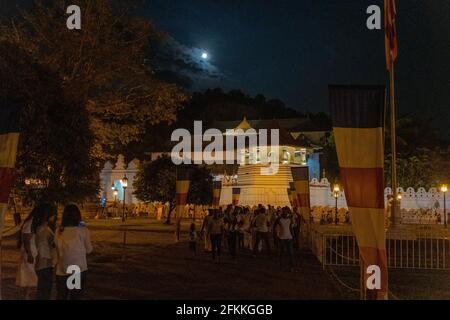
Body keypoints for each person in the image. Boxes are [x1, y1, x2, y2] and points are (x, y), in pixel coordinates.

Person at [55, 204, 93, 300]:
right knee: (75, 296)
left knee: (62, 296)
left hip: (62, 269)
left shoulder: (58, 231)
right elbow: (89, 250)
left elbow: (57, 249)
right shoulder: (82, 231)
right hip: (77, 269)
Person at [16, 203, 49, 299]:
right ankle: (27, 296)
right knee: (30, 277)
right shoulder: (30, 223)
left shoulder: (35, 222)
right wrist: (30, 254)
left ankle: (28, 296)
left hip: (34, 251)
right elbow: (26, 240)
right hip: (30, 252)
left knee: (32, 278)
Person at [34, 202, 58, 300]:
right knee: (44, 289)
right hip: (45, 262)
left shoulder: (42, 229)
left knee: (43, 289)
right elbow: (42, 248)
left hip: (45, 262)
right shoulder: (44, 231)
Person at [273, 207, 295, 271]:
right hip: (281, 238)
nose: (285, 212)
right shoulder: (278, 219)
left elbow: (291, 228)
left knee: (291, 253)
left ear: (287, 212)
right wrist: (276, 236)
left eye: (286, 211)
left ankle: (292, 266)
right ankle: (281, 266)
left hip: (289, 238)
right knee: (281, 253)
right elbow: (274, 227)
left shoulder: (290, 219)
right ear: (282, 212)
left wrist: (293, 236)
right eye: (283, 211)